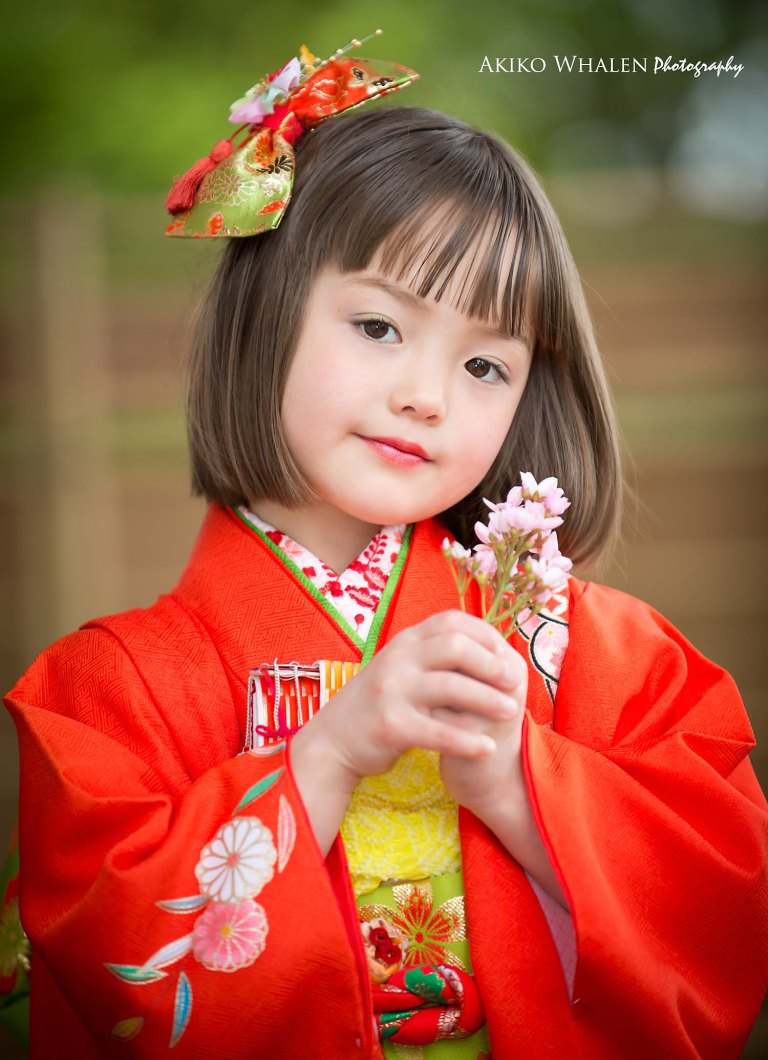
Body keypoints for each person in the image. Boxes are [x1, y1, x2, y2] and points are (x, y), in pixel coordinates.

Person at [4, 37, 767, 1060]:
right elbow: (109, 963)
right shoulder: (111, 688)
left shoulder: (609, 657)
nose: (428, 393)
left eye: (488, 365)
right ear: (264, 309)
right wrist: (324, 753)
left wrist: (514, 781)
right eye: (377, 327)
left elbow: (722, 907)